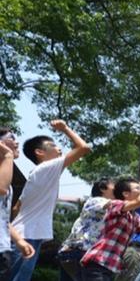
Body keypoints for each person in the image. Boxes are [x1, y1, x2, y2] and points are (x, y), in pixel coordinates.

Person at [11, 120, 91, 281]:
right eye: (53, 145)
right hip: (27, 234)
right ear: (40, 152)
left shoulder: (37, 175)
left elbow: (16, 208)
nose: (59, 148)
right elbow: (84, 148)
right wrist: (65, 129)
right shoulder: (46, 168)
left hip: (23, 234)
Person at [80, 171, 140, 280]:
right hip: (98, 262)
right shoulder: (115, 205)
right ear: (126, 194)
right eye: (138, 189)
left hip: (109, 267)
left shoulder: (133, 216)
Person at [58, 177, 115, 280]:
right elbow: (113, 204)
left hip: (72, 253)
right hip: (81, 253)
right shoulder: (96, 200)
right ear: (103, 188)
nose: (117, 188)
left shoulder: (95, 207)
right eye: (114, 185)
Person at [0, 136, 34, 280]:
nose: (17, 142)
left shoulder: (9, 185)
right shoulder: (4, 184)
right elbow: (0, 188)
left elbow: (2, 218)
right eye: (11, 138)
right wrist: (8, 155)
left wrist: (18, 240)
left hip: (3, 248)